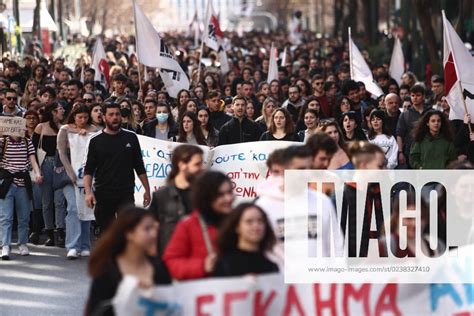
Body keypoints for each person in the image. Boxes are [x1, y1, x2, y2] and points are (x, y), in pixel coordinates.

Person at [86, 207, 171, 316]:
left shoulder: (160, 268)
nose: (154, 234)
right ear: (129, 233)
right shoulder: (107, 271)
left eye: (155, 229)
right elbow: (97, 310)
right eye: (147, 229)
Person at [84, 103, 151, 233]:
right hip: (103, 193)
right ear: (103, 117)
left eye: (117, 114)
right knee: (107, 233)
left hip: (126, 193)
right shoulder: (95, 141)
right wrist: (88, 192)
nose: (115, 117)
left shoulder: (131, 137)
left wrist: (147, 190)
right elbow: (89, 170)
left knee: (127, 231)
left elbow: (139, 166)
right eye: (111, 114)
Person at [163, 171, 234, 280]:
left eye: (230, 192)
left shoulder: (239, 221)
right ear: (206, 198)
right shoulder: (188, 226)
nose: (228, 199)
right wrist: (202, 266)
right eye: (221, 195)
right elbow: (171, 262)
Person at [57, 104, 99, 259]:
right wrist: (70, 173)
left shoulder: (94, 131)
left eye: (85, 117)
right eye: (79, 117)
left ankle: (85, 245)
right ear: (74, 116)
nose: (83, 120)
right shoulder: (65, 129)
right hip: (70, 177)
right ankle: (73, 246)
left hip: (88, 177)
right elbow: (61, 152)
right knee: (73, 209)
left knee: (86, 208)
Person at [149, 145, 204, 255]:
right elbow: (151, 230)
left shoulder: (203, 195)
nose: (202, 168)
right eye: (197, 164)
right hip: (169, 259)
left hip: (197, 258)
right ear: (182, 165)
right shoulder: (161, 196)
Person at [0, 134, 43, 259]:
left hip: (23, 182)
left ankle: (22, 243)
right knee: (5, 217)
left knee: (24, 216)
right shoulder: (3, 141)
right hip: (6, 182)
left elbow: (33, 160)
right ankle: (5, 245)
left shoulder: (27, 142)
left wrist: (37, 173)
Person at [33, 102, 67, 247]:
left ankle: (60, 231)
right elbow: (32, 149)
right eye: (60, 109)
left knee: (59, 200)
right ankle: (49, 233)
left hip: (60, 165)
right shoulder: (41, 127)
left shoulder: (63, 128)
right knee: (46, 201)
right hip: (45, 164)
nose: (63, 111)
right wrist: (36, 170)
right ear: (53, 112)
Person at [213, 203, 279, 277]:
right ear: (237, 227)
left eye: (260, 221)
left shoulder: (272, 264)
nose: (256, 226)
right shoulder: (225, 263)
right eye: (249, 222)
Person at [396, 84, 431, 168]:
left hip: (429, 151)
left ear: (423, 96)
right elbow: (399, 134)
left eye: (418, 95)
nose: (415, 98)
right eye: (412, 95)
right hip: (411, 152)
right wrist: (400, 152)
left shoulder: (430, 112)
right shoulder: (405, 115)